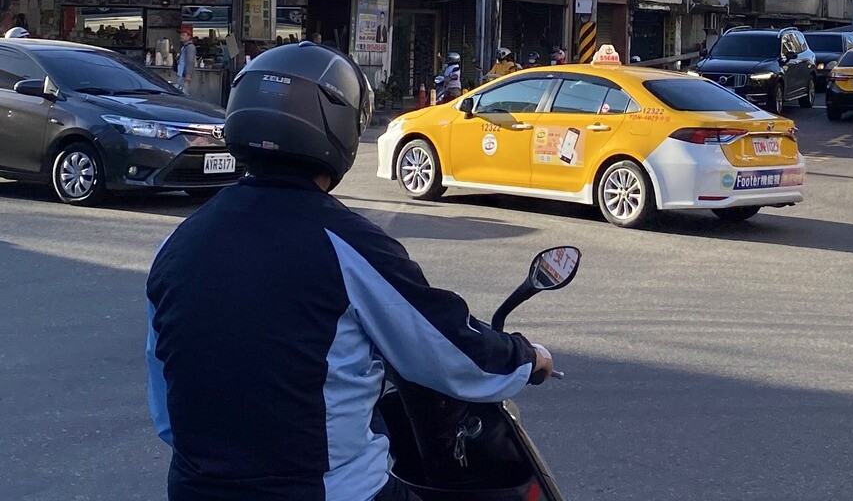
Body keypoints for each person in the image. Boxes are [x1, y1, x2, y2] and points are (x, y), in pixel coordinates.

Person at [145, 42, 552, 501]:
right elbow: (445, 346)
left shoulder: (178, 245)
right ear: (336, 127)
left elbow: (166, 405)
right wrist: (524, 357)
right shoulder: (346, 243)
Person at [175, 26, 198, 94]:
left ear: (189, 37)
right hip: (181, 74)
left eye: (183, 35)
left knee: (183, 92)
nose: (181, 36)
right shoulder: (185, 47)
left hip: (184, 75)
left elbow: (190, 61)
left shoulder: (190, 47)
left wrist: (188, 75)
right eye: (181, 34)